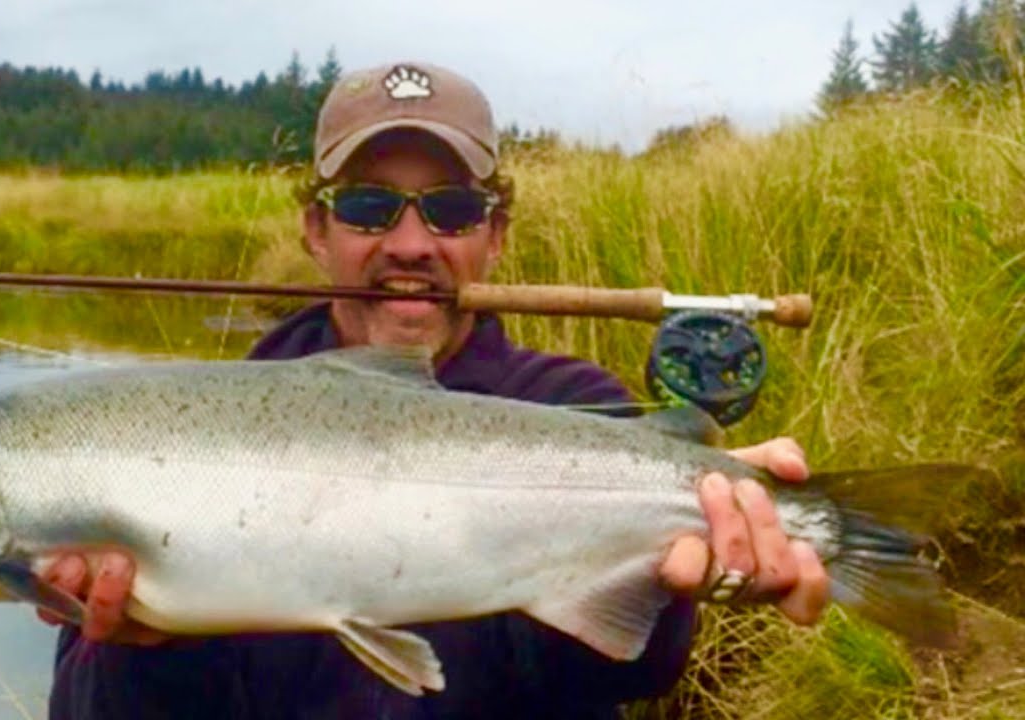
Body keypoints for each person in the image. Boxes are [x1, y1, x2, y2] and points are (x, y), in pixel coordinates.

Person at [42, 60, 828, 719]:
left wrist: (676, 573)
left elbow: (621, 673)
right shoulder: (196, 435)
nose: (411, 245)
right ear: (316, 231)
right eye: (368, 207)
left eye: (451, 211)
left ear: (496, 237)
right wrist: (155, 646)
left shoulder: (574, 408)